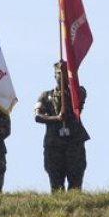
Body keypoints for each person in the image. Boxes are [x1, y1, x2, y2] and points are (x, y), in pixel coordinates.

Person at [34, 60, 90, 192]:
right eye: (59, 73)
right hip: (54, 144)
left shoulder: (77, 93)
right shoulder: (46, 96)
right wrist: (56, 118)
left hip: (74, 142)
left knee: (75, 182)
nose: (62, 76)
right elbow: (37, 116)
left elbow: (81, 97)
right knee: (56, 183)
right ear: (54, 75)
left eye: (65, 73)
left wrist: (69, 88)